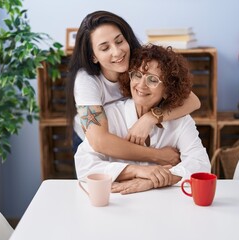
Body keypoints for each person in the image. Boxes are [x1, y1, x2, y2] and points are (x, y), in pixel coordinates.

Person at [66, 10, 201, 167]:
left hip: (134, 134)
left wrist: (150, 118)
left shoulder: (138, 61)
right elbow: (100, 142)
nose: (117, 52)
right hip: (93, 145)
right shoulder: (86, 80)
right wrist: (158, 156)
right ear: (93, 56)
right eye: (105, 48)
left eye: (119, 41)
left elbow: (193, 101)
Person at [75, 44, 210, 194]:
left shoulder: (181, 121)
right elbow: (84, 166)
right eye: (137, 75)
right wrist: (136, 171)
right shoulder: (111, 116)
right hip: (118, 203)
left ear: (167, 89)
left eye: (152, 80)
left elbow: (201, 165)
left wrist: (151, 181)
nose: (141, 85)